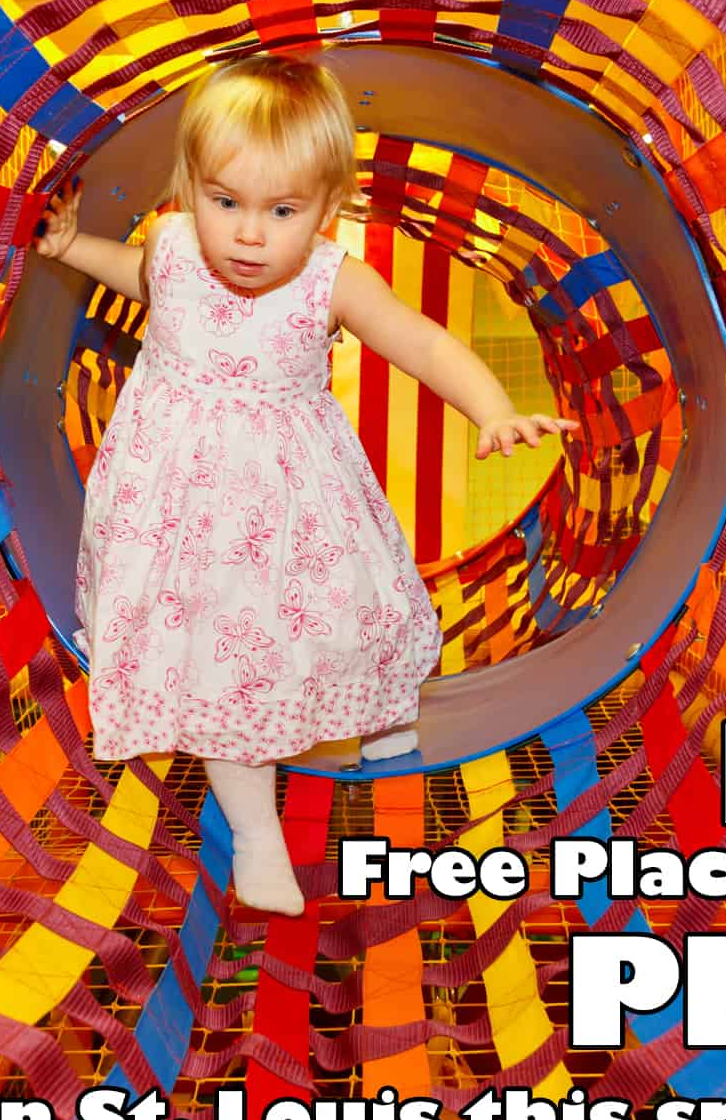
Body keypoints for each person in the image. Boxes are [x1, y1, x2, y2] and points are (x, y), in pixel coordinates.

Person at [34, 55, 577, 918]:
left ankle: (372, 708)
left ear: (329, 208)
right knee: (217, 662)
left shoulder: (334, 278)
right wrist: (72, 248)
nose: (250, 235)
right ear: (189, 187)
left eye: (282, 211)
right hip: (175, 515)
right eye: (227, 202)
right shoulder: (172, 246)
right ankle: (254, 832)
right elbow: (141, 280)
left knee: (339, 614)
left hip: (290, 507)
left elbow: (424, 342)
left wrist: (492, 409)